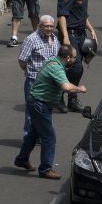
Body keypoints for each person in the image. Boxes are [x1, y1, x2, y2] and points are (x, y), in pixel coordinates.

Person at [14, 44, 87, 180]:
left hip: (38, 102)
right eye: (74, 58)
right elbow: (66, 87)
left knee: (33, 134)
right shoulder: (56, 67)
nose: (75, 60)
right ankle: (46, 169)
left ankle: (22, 160)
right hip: (39, 104)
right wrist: (79, 88)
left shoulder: (54, 61)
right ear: (67, 57)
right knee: (49, 136)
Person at [56, 0, 97, 113]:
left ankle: (72, 99)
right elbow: (61, 15)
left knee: (78, 67)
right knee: (74, 65)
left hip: (81, 33)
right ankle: (59, 96)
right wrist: (66, 38)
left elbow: (82, 15)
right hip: (71, 33)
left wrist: (91, 29)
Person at [18, 15, 59, 138]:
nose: (49, 28)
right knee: (32, 111)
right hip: (34, 81)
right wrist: (29, 71)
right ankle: (29, 137)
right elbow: (22, 60)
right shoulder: (31, 39)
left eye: (51, 26)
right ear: (40, 26)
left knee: (46, 110)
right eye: (46, 26)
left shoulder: (55, 38)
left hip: (50, 82)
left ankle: (44, 136)